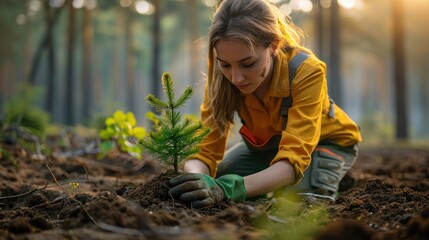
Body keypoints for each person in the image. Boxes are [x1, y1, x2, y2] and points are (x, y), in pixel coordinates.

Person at [168, 0, 362, 209]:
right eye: (225, 64)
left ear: (274, 46)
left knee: (297, 203)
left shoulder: (306, 71)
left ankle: (328, 174)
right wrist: (197, 179)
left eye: (248, 63)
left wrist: (228, 189)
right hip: (268, 146)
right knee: (221, 177)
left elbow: (292, 159)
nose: (236, 78)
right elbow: (205, 151)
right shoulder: (222, 75)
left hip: (324, 144)